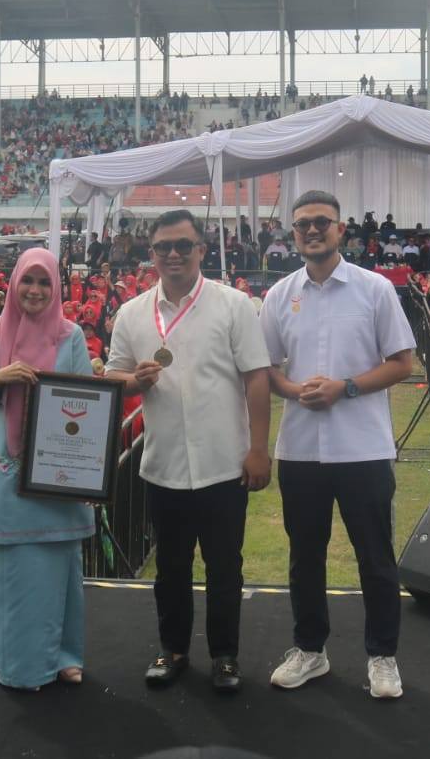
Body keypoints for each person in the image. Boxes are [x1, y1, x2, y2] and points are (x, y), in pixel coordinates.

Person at [105, 209, 272, 693]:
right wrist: (133, 379)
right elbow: (112, 376)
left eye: (183, 245)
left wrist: (259, 448)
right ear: (151, 253)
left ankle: (225, 655)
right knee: (171, 569)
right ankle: (173, 648)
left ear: (201, 248)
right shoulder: (134, 313)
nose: (173, 254)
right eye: (163, 247)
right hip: (164, 464)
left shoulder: (234, 304)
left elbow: (256, 377)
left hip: (225, 462)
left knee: (225, 567)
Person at [260, 191, 416, 700]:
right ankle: (310, 649)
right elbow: (267, 369)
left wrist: (343, 388)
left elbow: (401, 362)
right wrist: (293, 391)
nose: (311, 231)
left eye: (320, 222)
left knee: (375, 556)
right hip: (301, 448)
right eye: (301, 224)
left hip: (363, 448)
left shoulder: (374, 289)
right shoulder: (280, 294)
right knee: (305, 555)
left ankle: (383, 656)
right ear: (292, 232)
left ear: (340, 228)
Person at [0, 248, 96, 690]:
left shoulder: (70, 335)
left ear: (56, 286)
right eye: (28, 281)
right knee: (14, 573)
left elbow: (83, 396)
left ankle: (65, 657)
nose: (36, 291)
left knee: (61, 569)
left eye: (44, 283)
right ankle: (21, 667)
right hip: (6, 468)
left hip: (57, 467)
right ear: (14, 284)